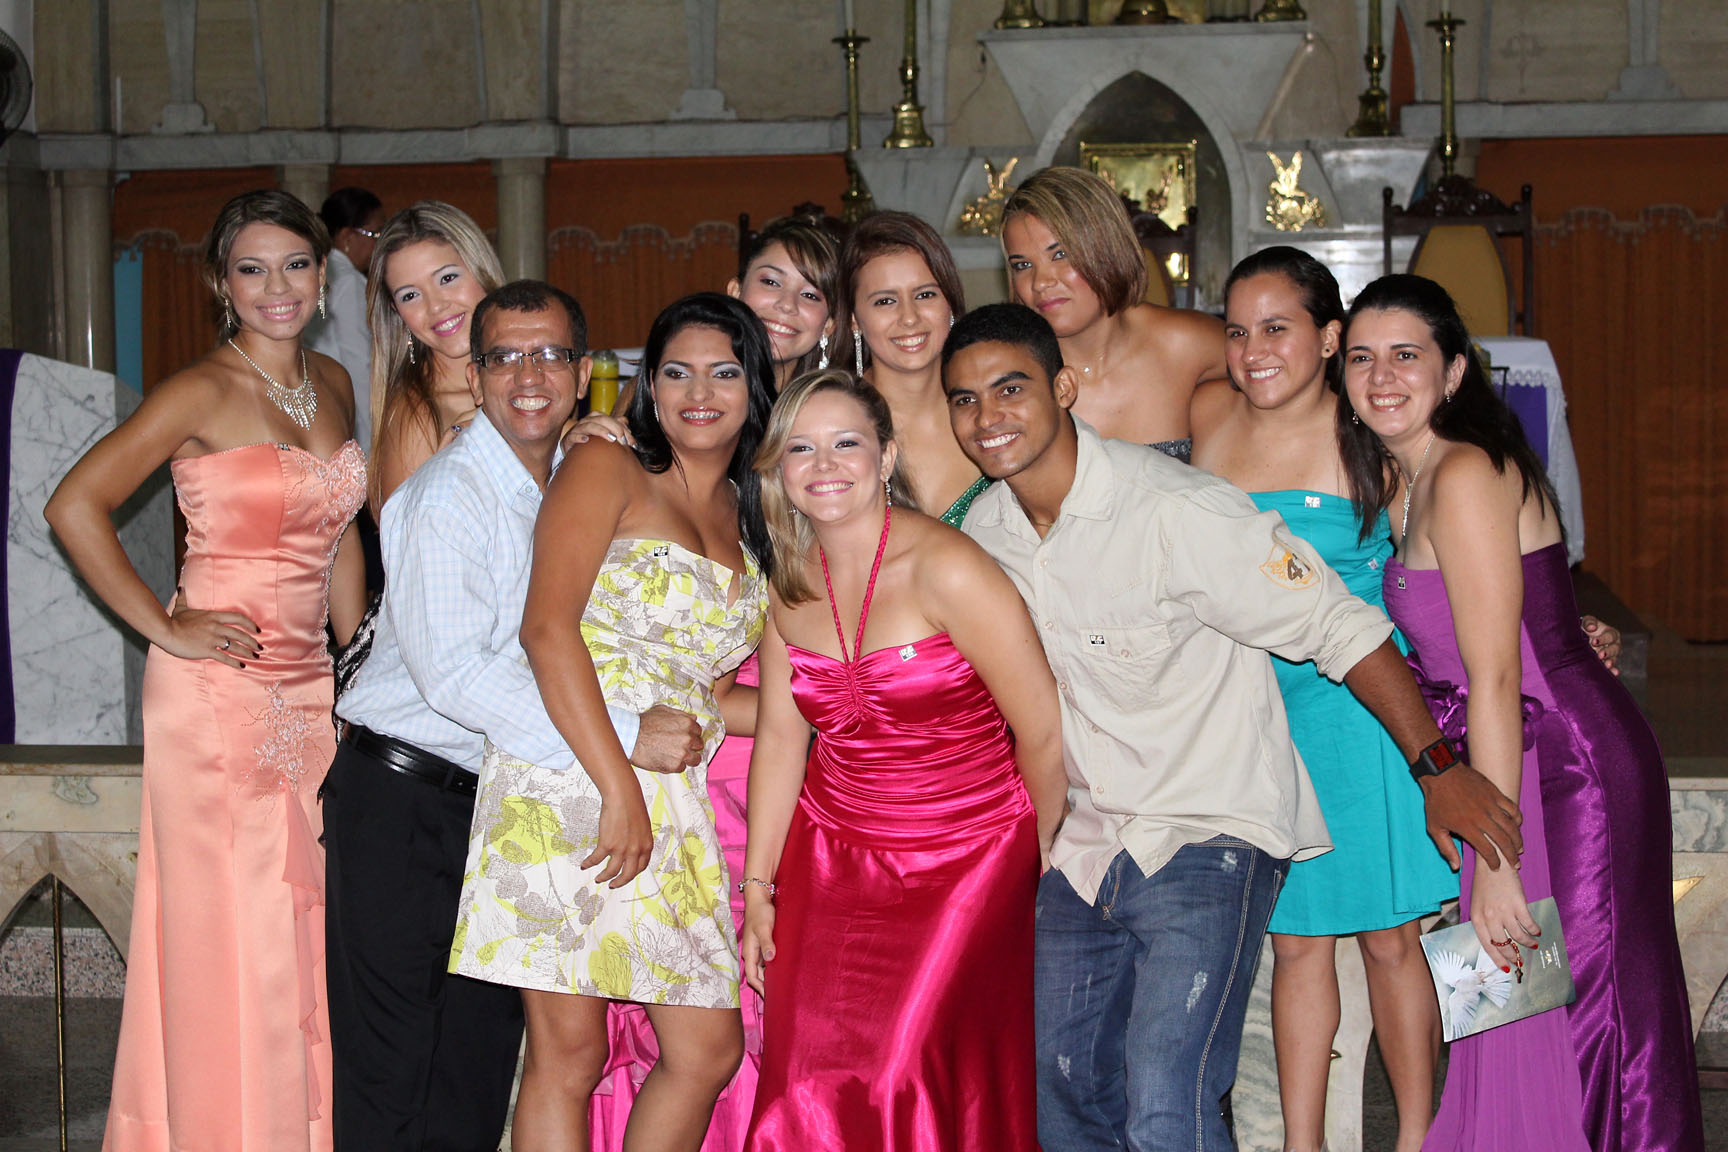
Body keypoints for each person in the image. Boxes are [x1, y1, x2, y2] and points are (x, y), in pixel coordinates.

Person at [941, 302, 1526, 1152]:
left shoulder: (1174, 508)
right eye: (964, 400)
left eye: (1010, 389)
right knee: (1062, 1093)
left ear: (1063, 389)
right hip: (1088, 840)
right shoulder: (985, 534)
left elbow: (1338, 624)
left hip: (1208, 829)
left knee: (1166, 1100)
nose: (987, 416)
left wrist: (1436, 765)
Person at [329, 278, 703, 1151]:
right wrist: (622, 737)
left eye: (549, 355)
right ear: (476, 374)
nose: (528, 376)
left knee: (476, 1069)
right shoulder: (448, 493)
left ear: (583, 371)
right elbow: (456, 675)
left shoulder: (567, 485)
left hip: (498, 805)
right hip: (405, 801)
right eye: (504, 358)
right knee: (393, 1074)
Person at [1340, 274, 1703, 1152]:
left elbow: (1498, 675)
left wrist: (1501, 862)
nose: (1381, 377)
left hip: (1564, 765)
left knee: (1582, 1004)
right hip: (1504, 763)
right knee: (1510, 1000)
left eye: (1406, 356)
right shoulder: (1403, 474)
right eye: (1361, 358)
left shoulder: (1462, 471)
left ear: (1454, 371)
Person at [46, 188, 365, 1151]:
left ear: (322, 275)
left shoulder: (334, 381)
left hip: (311, 686)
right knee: (242, 923)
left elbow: (339, 535)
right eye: (251, 269)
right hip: (218, 689)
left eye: (295, 265)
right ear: (221, 284)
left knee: (304, 917)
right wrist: (166, 626)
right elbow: (73, 505)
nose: (277, 287)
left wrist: (357, 664)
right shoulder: (198, 390)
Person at [451, 292, 773, 1152]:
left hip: (673, 794)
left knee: (706, 1051)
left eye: (723, 372)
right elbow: (546, 630)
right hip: (572, 776)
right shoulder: (607, 467)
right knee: (570, 1055)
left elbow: (708, 696)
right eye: (676, 372)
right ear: (647, 386)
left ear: (754, 387)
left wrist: (839, 714)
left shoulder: (748, 515)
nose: (698, 392)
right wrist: (617, 788)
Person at [739, 369, 1066, 1150]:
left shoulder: (946, 565)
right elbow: (781, 741)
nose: (824, 465)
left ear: (885, 457)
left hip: (969, 853)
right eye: (801, 448)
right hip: (830, 858)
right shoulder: (788, 583)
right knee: (805, 1079)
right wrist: (757, 887)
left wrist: (1039, 851)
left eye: (846, 443)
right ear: (779, 469)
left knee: (899, 1071)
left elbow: (1044, 731)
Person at [579, 225, 842, 1152]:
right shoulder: (625, 458)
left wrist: (844, 710)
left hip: (742, 762)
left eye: (811, 292)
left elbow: (738, 681)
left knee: (732, 1027)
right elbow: (544, 629)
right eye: (770, 282)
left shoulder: (788, 474)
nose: (786, 308)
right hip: (618, 762)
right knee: (599, 1045)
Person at [1189, 247, 1458, 1152]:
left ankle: (1416, 1137)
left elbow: (1453, 550)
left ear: (1329, 337)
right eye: (1238, 331)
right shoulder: (1207, 413)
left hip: (1363, 713)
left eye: (1278, 328)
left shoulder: (1368, 430)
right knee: (1296, 944)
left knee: (1390, 939)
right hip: (1255, 717)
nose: (1254, 350)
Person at [1001, 165, 1228, 460]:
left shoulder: (1185, 343)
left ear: (1107, 249)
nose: (1040, 282)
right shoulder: (1004, 375)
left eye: (1060, 254)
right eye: (1022, 265)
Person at [841, 211, 989, 525]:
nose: (909, 317)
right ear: (854, 319)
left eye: (925, 295)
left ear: (949, 303)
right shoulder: (829, 423)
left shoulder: (994, 408)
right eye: (885, 301)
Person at [364, 201, 504, 517]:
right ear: (397, 314)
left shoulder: (527, 376)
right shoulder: (416, 418)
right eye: (410, 295)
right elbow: (408, 542)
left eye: (447, 278)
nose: (436, 305)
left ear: (481, 269)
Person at [307, 186, 385, 453]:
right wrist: (372, 443)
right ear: (347, 236)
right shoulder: (348, 281)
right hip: (344, 407)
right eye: (375, 234)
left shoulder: (313, 270)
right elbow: (358, 363)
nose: (379, 245)